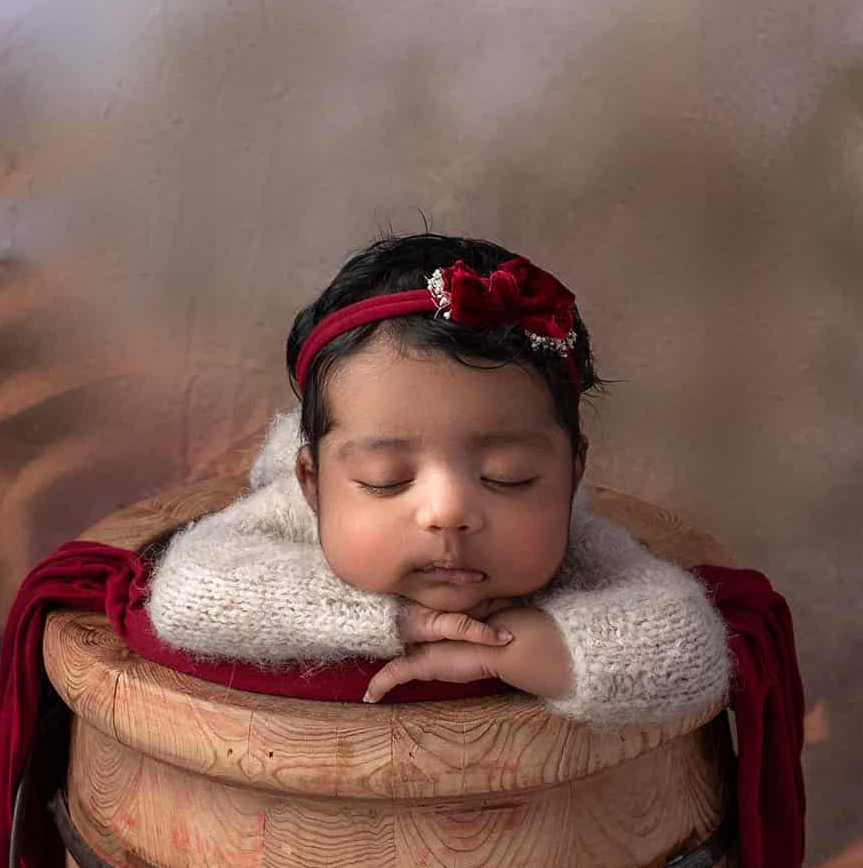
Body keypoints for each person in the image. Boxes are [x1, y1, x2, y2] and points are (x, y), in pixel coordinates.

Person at [144, 232, 732, 730]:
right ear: (314, 483)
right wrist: (398, 622)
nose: (448, 512)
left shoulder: (571, 539)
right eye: (385, 479)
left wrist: (520, 645)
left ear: (570, 473)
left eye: (510, 477)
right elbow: (187, 592)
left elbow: (689, 648)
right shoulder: (298, 513)